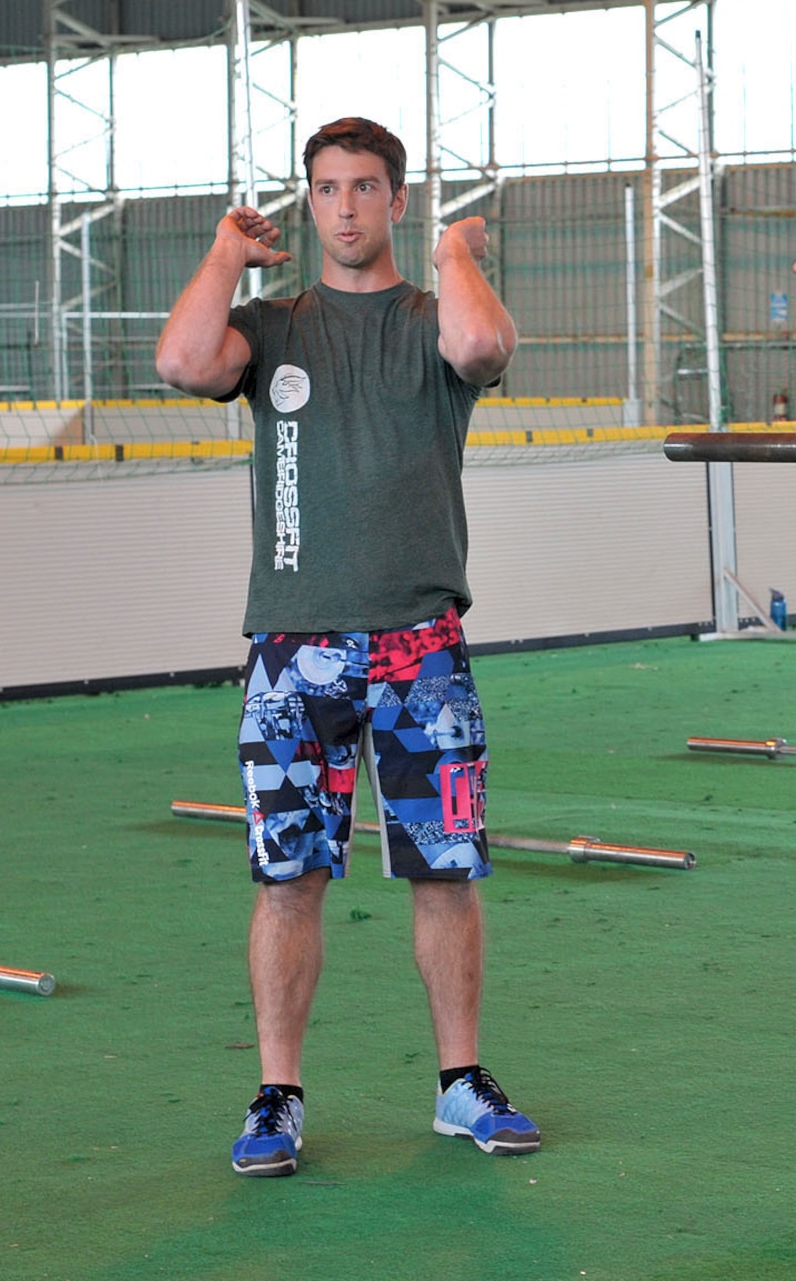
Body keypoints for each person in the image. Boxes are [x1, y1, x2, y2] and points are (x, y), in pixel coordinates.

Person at [155, 117, 538, 1177]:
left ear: (396, 201)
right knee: (288, 879)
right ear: (310, 202)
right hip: (297, 652)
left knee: (445, 871)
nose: (347, 206)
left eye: (367, 187)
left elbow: (483, 349)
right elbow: (183, 360)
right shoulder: (274, 326)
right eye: (327, 189)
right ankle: (275, 1095)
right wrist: (228, 252)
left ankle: (460, 1084)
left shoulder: (433, 316)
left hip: (422, 646)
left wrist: (455, 250)